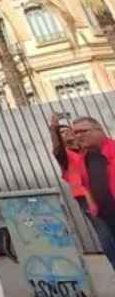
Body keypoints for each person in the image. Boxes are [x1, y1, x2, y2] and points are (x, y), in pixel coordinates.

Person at [51, 113, 115, 266]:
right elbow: (57, 150)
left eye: (70, 131)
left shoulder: (88, 151)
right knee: (106, 236)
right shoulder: (67, 155)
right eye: (64, 133)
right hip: (86, 200)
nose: (71, 134)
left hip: (101, 198)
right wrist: (54, 131)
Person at [72, 117, 115, 258]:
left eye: (83, 131)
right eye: (76, 133)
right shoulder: (85, 158)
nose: (78, 136)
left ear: (99, 130)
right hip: (107, 218)